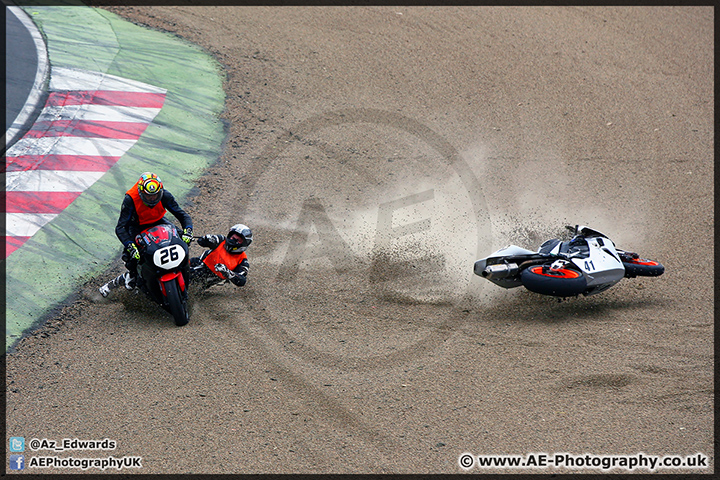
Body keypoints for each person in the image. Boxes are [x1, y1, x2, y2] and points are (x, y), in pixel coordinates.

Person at [115, 172, 193, 289]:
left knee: (181, 239)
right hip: (137, 226)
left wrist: (188, 231)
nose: (152, 198)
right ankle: (132, 276)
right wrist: (130, 245)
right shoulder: (130, 199)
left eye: (155, 195)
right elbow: (120, 228)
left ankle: (184, 267)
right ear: (141, 193)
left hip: (159, 221)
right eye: (148, 196)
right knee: (133, 256)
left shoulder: (165, 195)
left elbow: (183, 215)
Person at [190, 224, 252, 288]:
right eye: (233, 238)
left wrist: (228, 273)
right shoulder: (221, 240)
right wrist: (207, 239)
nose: (232, 240)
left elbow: (242, 281)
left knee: (189, 293)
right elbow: (202, 242)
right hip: (195, 264)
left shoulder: (242, 259)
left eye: (237, 240)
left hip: (204, 281)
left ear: (244, 244)